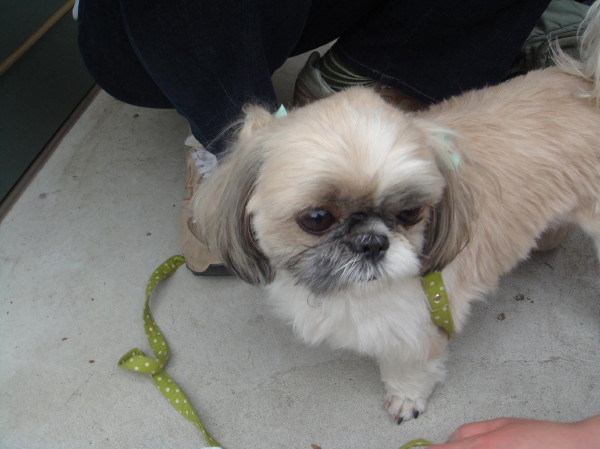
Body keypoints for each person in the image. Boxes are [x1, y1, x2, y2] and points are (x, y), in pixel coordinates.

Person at [75, 2, 598, 447]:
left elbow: (423, 336)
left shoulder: (402, 308)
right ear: (248, 205)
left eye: (407, 214)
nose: (371, 242)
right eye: (318, 219)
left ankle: (409, 385)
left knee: (412, 352)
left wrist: (407, 382)